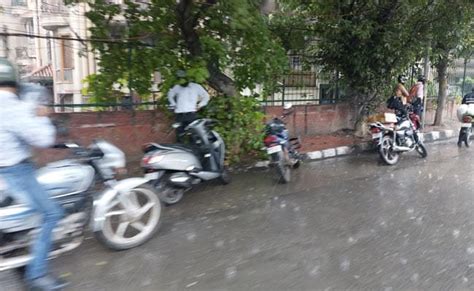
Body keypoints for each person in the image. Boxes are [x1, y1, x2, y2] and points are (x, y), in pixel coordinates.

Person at [0, 58, 66, 290]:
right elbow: (44, 139)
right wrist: (41, 116)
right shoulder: (10, 105)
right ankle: (36, 274)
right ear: (14, 81)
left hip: (7, 171)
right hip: (15, 170)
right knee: (51, 214)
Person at [167, 70, 210, 142]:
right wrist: (173, 104)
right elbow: (170, 95)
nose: (182, 80)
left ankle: (193, 151)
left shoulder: (196, 86)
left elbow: (206, 96)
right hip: (180, 115)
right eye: (180, 79)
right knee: (180, 135)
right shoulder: (177, 87)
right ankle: (181, 151)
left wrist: (200, 105)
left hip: (191, 114)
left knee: (193, 136)